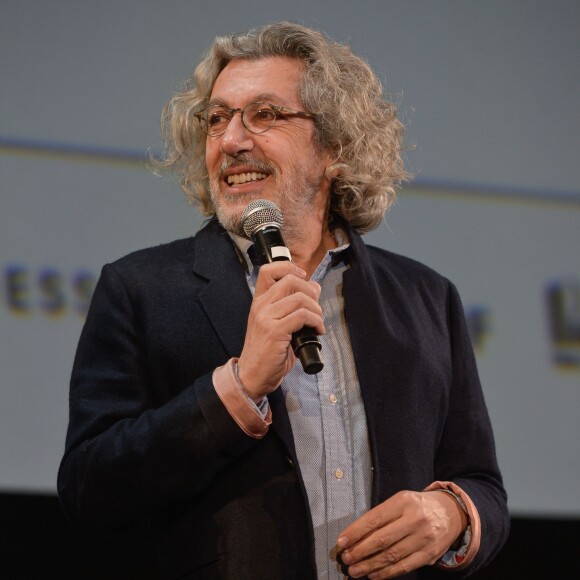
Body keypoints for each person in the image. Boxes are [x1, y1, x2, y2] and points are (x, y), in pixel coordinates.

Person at [58, 22, 509, 580]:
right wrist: (239, 388)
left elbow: (481, 484)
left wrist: (449, 515)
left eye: (265, 115)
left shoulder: (425, 298)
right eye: (216, 118)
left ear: (335, 147)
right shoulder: (141, 290)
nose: (230, 140)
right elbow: (90, 488)